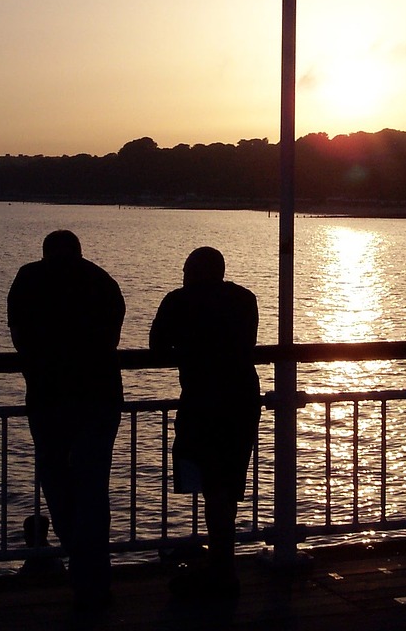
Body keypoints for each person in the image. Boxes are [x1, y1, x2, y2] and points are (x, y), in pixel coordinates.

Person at [8, 229, 125, 611]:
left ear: (45, 253)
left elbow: (19, 336)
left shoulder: (29, 279)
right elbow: (111, 339)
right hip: (99, 397)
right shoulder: (102, 282)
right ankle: (93, 577)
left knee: (57, 481)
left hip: (49, 398)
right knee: (93, 489)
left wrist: (37, 371)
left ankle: (82, 568)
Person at [149, 246, 261, 596]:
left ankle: (222, 572)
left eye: (185, 270)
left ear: (192, 272)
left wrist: (187, 349)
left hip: (203, 401)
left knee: (212, 484)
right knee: (227, 485)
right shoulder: (245, 299)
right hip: (242, 398)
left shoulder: (178, 301)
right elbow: (246, 344)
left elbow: (156, 348)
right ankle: (222, 566)